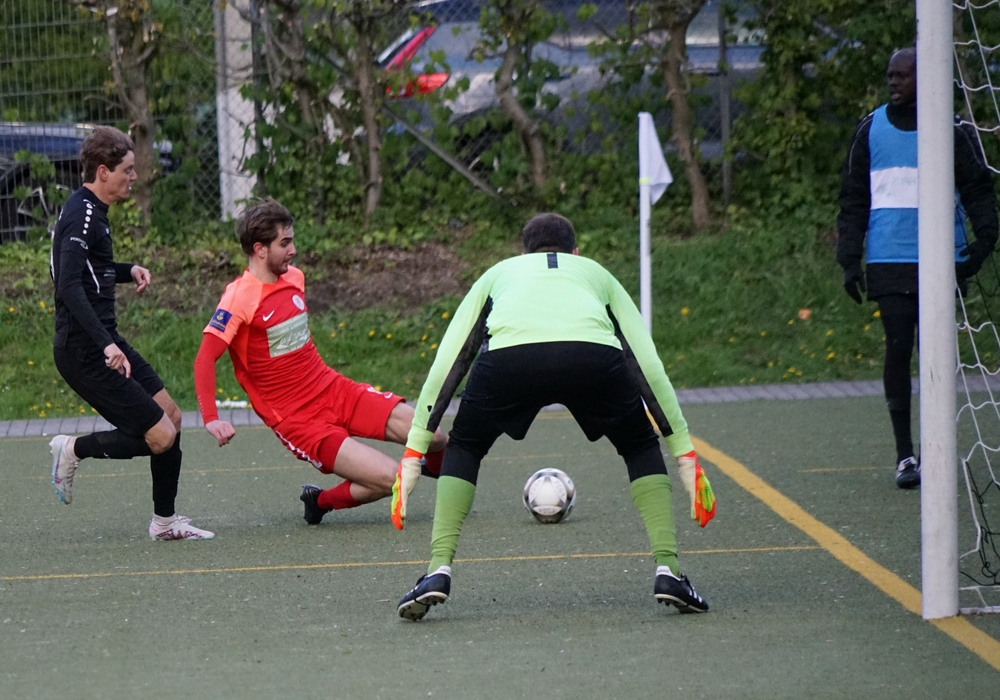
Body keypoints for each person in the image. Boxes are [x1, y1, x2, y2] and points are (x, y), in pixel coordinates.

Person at [391, 213, 717, 621]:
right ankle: (668, 570)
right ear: (575, 253)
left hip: (511, 360)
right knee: (638, 445)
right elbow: (646, 363)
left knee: (466, 446)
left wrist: (414, 453)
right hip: (591, 356)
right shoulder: (596, 274)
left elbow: (451, 360)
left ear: (522, 254)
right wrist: (684, 454)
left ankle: (437, 569)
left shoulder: (499, 274)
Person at [193, 199, 446, 523]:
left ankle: (444, 482)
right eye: (284, 243)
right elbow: (204, 359)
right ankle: (320, 502)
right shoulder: (238, 297)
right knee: (395, 480)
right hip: (298, 419)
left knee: (435, 436)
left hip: (333, 389)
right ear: (259, 249)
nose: (293, 250)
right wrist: (211, 418)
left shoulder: (294, 277)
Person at [837, 47, 998, 489]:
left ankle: (935, 451)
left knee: (937, 355)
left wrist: (983, 242)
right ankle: (905, 455)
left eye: (903, 75)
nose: (894, 82)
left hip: (942, 260)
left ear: (925, 78)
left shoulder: (953, 130)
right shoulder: (870, 128)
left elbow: (978, 189)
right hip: (888, 259)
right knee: (897, 350)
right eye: (890, 75)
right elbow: (853, 198)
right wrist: (849, 259)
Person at [47, 126, 213, 541]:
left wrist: (128, 270)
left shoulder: (92, 211)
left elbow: (90, 271)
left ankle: (164, 523)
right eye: (127, 169)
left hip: (104, 341)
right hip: (84, 351)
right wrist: (105, 345)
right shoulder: (83, 214)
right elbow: (67, 284)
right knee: (161, 435)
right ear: (103, 172)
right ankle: (73, 449)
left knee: (171, 417)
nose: (134, 176)